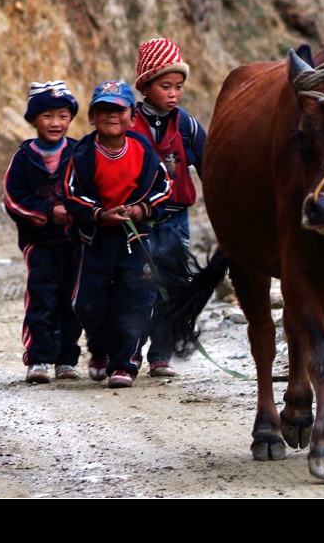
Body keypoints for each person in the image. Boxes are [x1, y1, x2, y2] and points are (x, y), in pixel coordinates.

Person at [64, 80, 172, 388]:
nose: (112, 116)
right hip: (95, 241)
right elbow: (70, 194)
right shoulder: (83, 154)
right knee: (88, 304)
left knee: (135, 300)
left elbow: (163, 188)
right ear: (92, 117)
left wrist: (142, 209)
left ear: (132, 116)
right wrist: (98, 213)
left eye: (119, 110)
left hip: (134, 240)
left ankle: (124, 363)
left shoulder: (142, 151)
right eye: (104, 110)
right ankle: (99, 350)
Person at [131, 37, 206, 378]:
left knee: (171, 285)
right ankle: (128, 350)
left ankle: (160, 354)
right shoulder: (128, 124)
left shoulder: (187, 126)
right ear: (145, 85)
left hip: (176, 218)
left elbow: (209, 164)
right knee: (138, 285)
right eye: (165, 86)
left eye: (179, 86)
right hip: (139, 221)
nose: (174, 93)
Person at [3, 80, 83, 384]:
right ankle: (37, 359)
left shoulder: (78, 153)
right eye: (48, 116)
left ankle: (66, 360)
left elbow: (90, 191)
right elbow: (13, 199)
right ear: (34, 119)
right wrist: (49, 212)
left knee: (72, 301)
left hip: (74, 244)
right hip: (39, 244)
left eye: (63, 116)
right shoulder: (24, 159)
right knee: (41, 298)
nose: (56, 123)